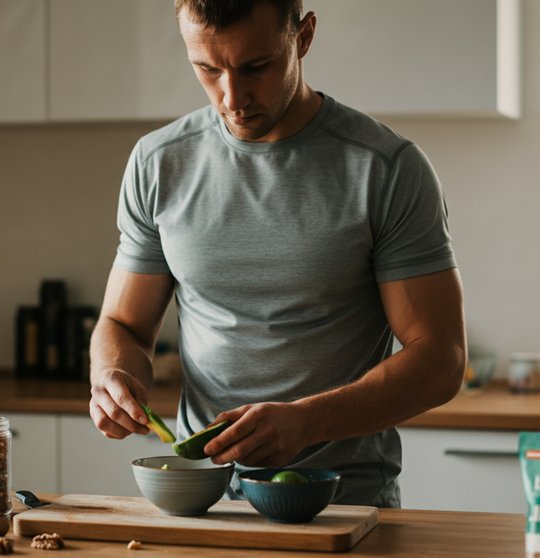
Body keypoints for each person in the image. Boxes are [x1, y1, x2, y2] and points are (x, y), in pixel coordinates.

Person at [88, 0, 466, 508]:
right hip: (203, 502)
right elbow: (123, 324)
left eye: (256, 67)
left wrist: (306, 422)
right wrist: (113, 376)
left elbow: (440, 358)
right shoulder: (158, 163)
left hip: (342, 504)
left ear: (303, 37)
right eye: (208, 69)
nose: (232, 97)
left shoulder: (386, 168)